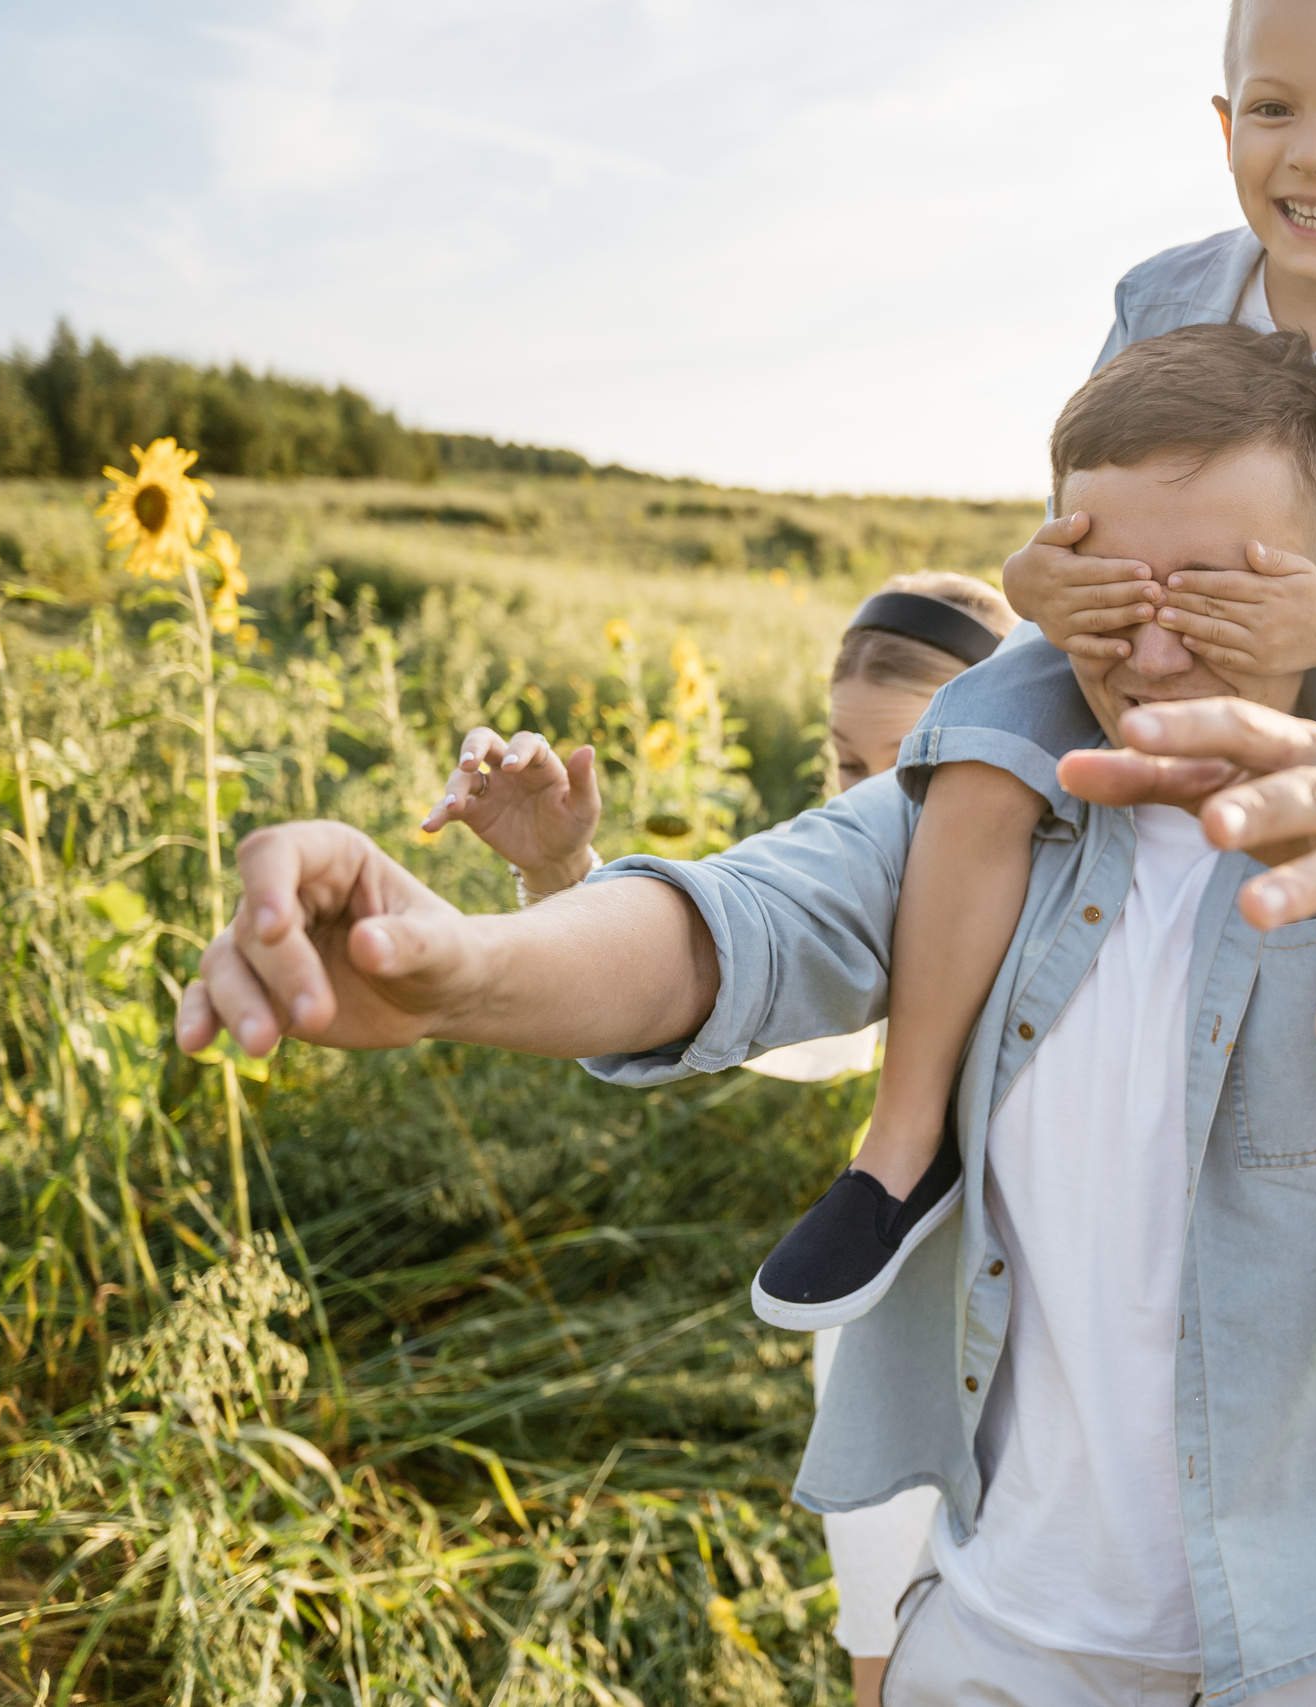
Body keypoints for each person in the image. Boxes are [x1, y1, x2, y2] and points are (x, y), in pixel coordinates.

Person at [181, 323, 1316, 1705]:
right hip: (989, 1635)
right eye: (1109, 597)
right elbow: (734, 924)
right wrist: (457, 966)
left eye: (1218, 594)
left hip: (1305, 1653)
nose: (1153, 651)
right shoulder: (976, 812)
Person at [754, 0, 1316, 1473]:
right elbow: (1085, 492)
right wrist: (1039, 580)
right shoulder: (1165, 289)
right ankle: (904, 1143)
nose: (1314, 154)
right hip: (1151, 612)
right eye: (1275, 108)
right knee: (982, 741)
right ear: (1225, 121)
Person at [418, 571, 1014, 1705]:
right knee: (887, 1659)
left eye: (914, 776)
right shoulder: (867, 919)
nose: (872, 811)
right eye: (847, 768)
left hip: (1049, 1378)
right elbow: (735, 994)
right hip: (890, 1349)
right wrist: (561, 877)